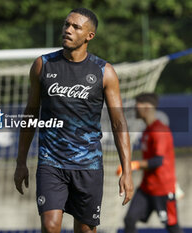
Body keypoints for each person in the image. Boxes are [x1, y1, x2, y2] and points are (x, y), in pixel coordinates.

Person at [13, 7, 134, 233]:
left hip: (88, 166)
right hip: (51, 163)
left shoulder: (104, 71)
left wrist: (127, 171)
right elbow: (30, 114)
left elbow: (119, 123)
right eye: (66, 24)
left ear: (89, 36)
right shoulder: (43, 65)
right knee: (50, 227)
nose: (68, 30)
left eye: (76, 27)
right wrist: (21, 161)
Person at [121, 93, 183, 233]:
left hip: (163, 189)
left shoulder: (159, 130)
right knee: (129, 219)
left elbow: (157, 161)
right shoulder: (147, 130)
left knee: (173, 227)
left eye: (138, 104)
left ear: (147, 107)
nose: (135, 108)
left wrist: (132, 165)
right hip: (146, 188)